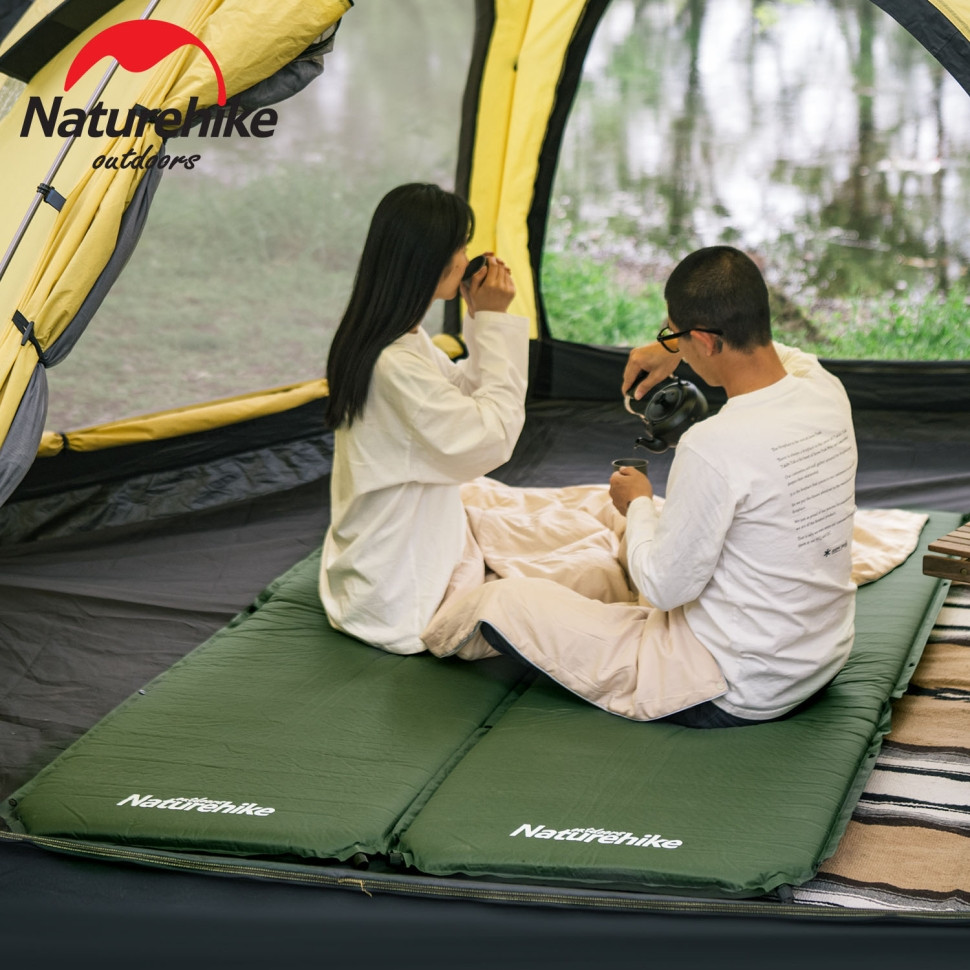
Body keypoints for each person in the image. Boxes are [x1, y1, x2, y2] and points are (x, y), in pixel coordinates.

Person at [610, 246, 858, 727]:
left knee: (507, 605)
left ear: (704, 340)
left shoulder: (711, 444)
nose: (673, 345)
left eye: (673, 335)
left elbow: (662, 588)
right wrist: (673, 346)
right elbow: (790, 355)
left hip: (739, 688)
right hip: (821, 661)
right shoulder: (826, 388)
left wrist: (638, 504)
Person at [320, 183, 530, 654]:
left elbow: (463, 395)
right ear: (429, 260)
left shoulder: (392, 338)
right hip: (400, 595)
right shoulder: (394, 363)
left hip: (392, 559)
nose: (467, 259)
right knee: (576, 586)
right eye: (461, 248)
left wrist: (481, 317)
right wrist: (495, 322)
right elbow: (491, 437)